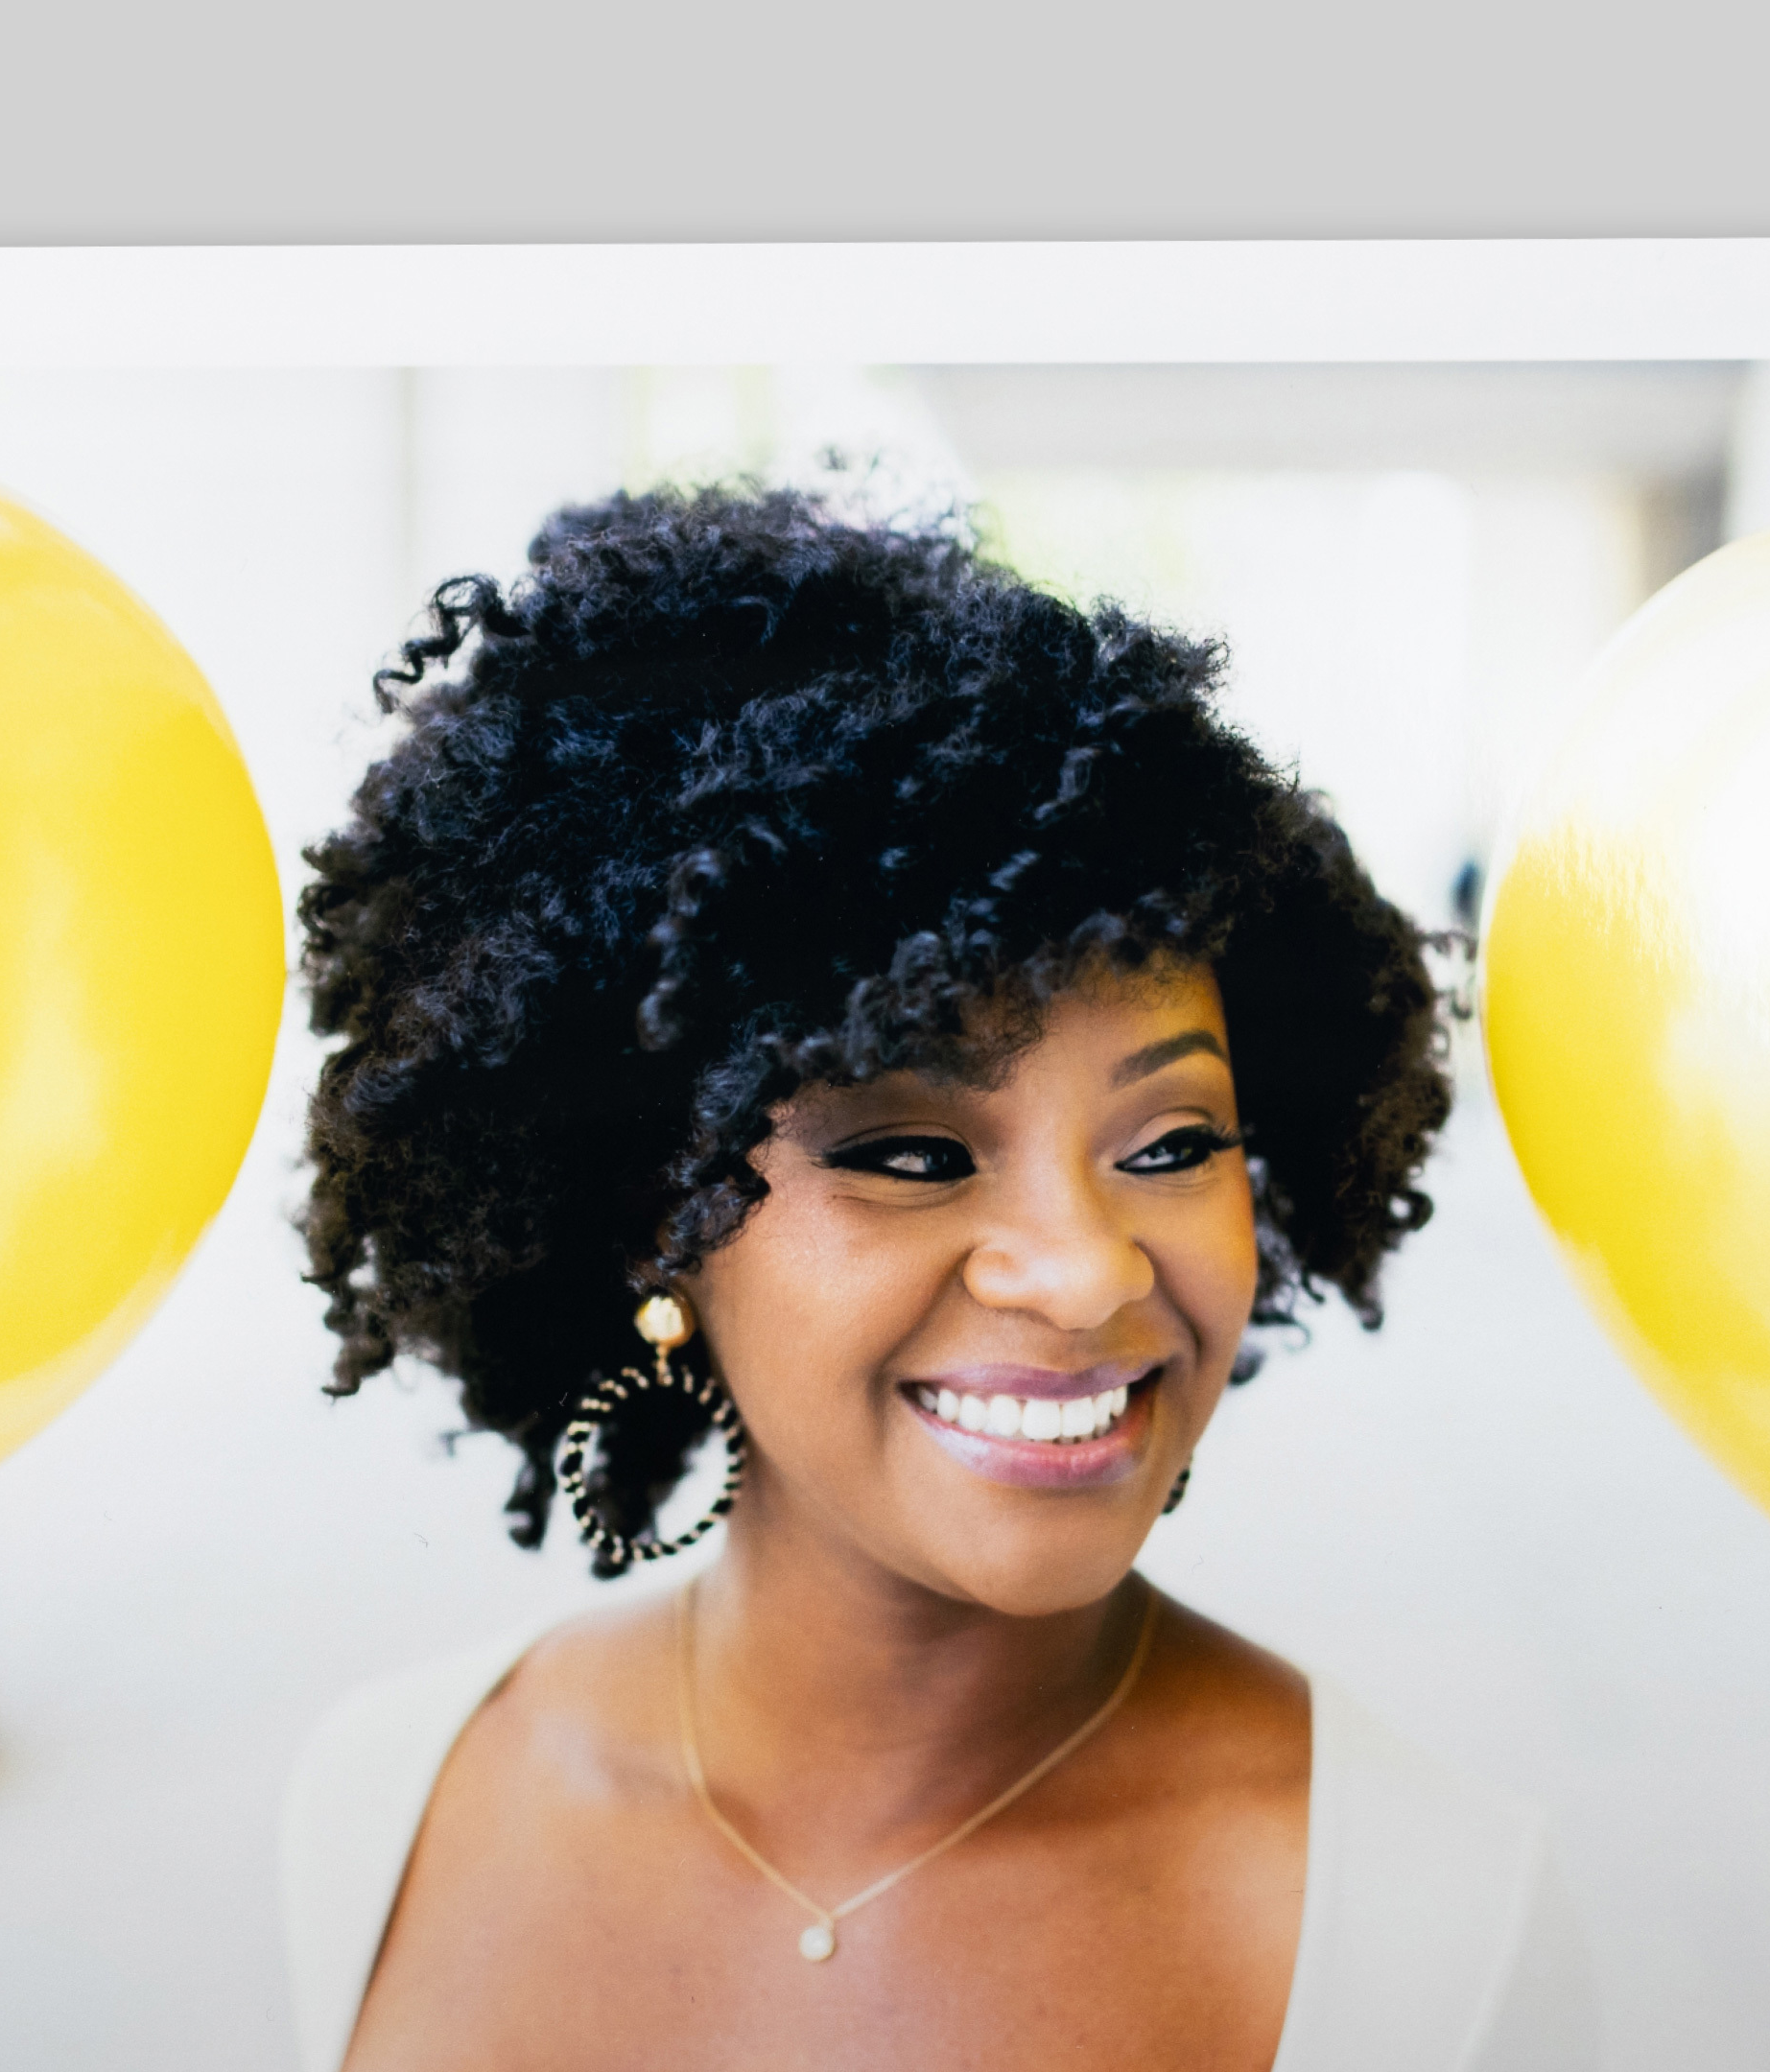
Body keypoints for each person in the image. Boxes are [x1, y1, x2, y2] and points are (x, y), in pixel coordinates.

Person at [281, 484, 1593, 2071]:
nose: (1085, 1270)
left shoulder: (1430, 1927)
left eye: (1173, 1141)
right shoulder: (385, 1808)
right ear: (652, 1215)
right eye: (909, 1152)